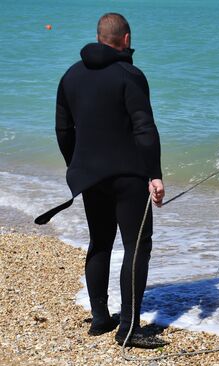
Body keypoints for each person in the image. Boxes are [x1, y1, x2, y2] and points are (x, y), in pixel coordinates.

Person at [53, 13, 166, 348]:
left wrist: (76, 165)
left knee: (100, 242)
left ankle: (100, 319)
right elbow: (144, 128)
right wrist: (155, 174)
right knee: (136, 246)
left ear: (99, 36)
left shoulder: (70, 76)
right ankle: (128, 329)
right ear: (126, 40)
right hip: (129, 176)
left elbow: (63, 129)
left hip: (90, 176)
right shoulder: (129, 74)